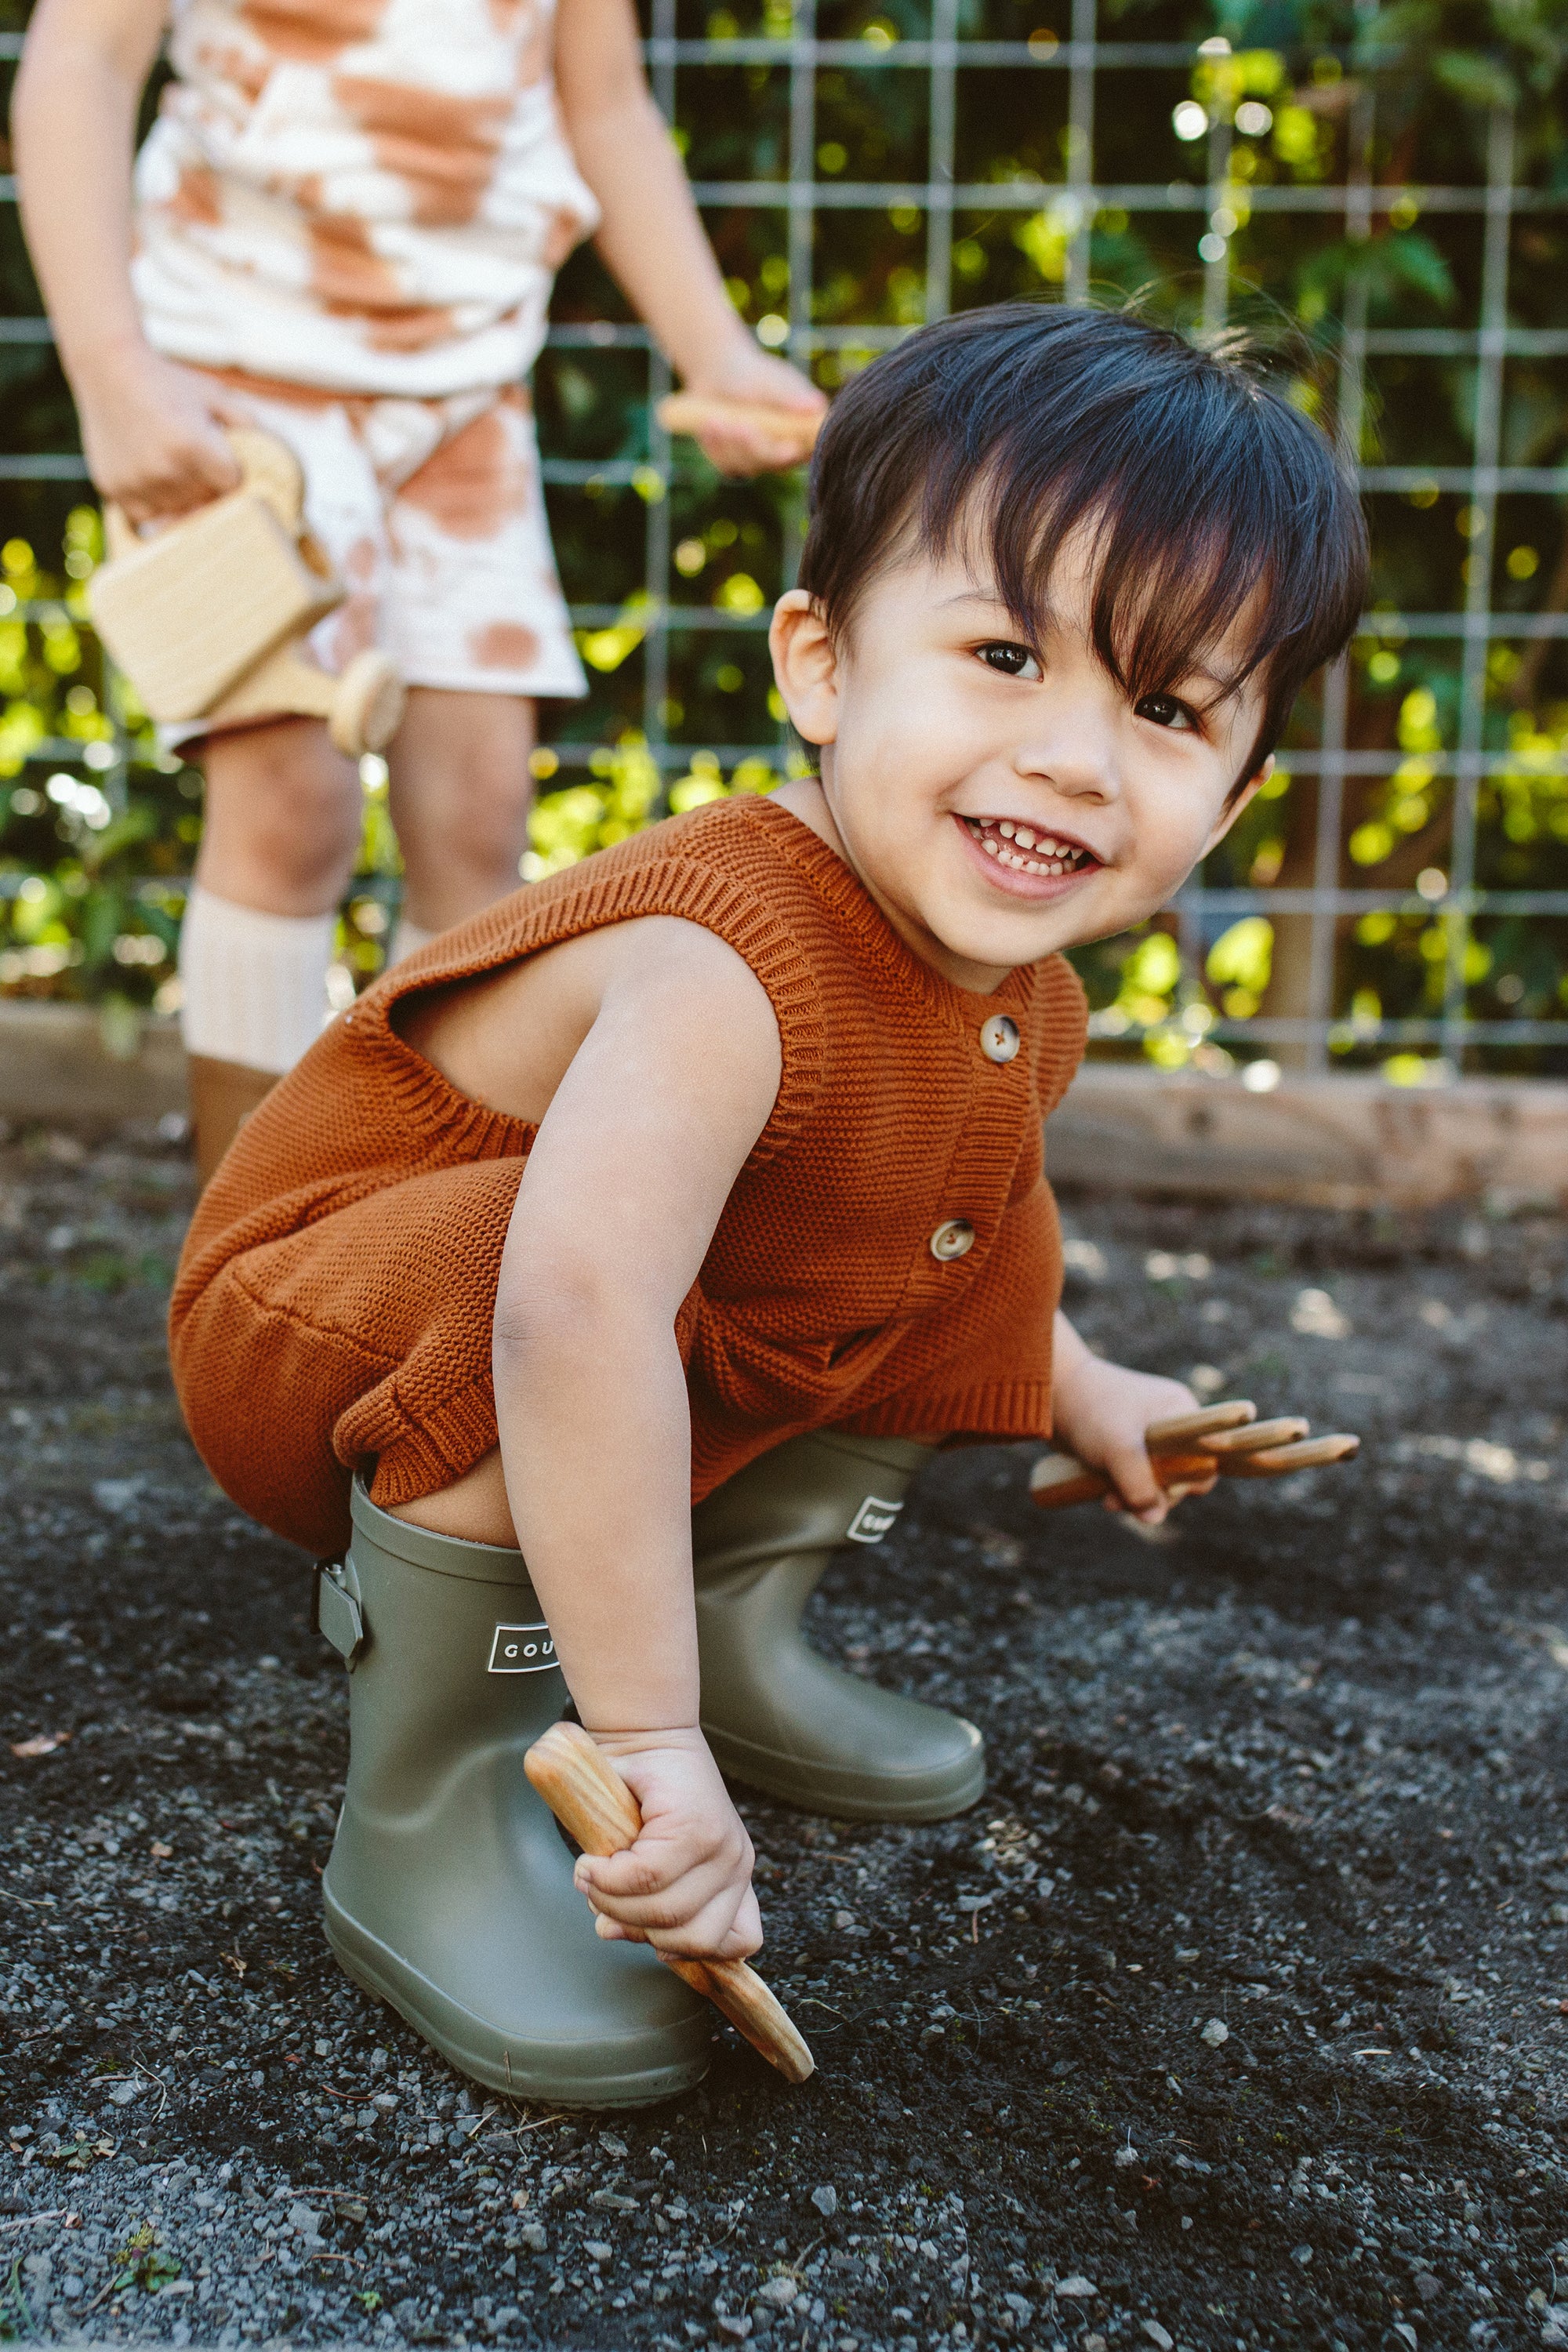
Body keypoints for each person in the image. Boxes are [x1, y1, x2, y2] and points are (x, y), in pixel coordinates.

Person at [167, 303, 1368, 2106]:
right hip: (319, 1328)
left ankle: (720, 1619)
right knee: (555, 1270)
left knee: (941, 1207)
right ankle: (436, 1785)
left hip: (541, 1328)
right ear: (819, 663)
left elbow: (980, 1245)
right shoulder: (722, 958)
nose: (1073, 756)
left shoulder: (1019, 1000)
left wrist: (1083, 1387)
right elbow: (569, 1313)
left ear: (1235, 790)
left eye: (1167, 705)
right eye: (1002, 654)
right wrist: (639, 1751)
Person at [12, 0, 823, 1182]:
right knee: (290, 806)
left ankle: (405, 1240)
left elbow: (603, 105)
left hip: (462, 394)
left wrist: (717, 350)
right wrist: (113, 374)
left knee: (477, 819)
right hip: (232, 386)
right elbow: (80, 60)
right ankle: (249, 1260)